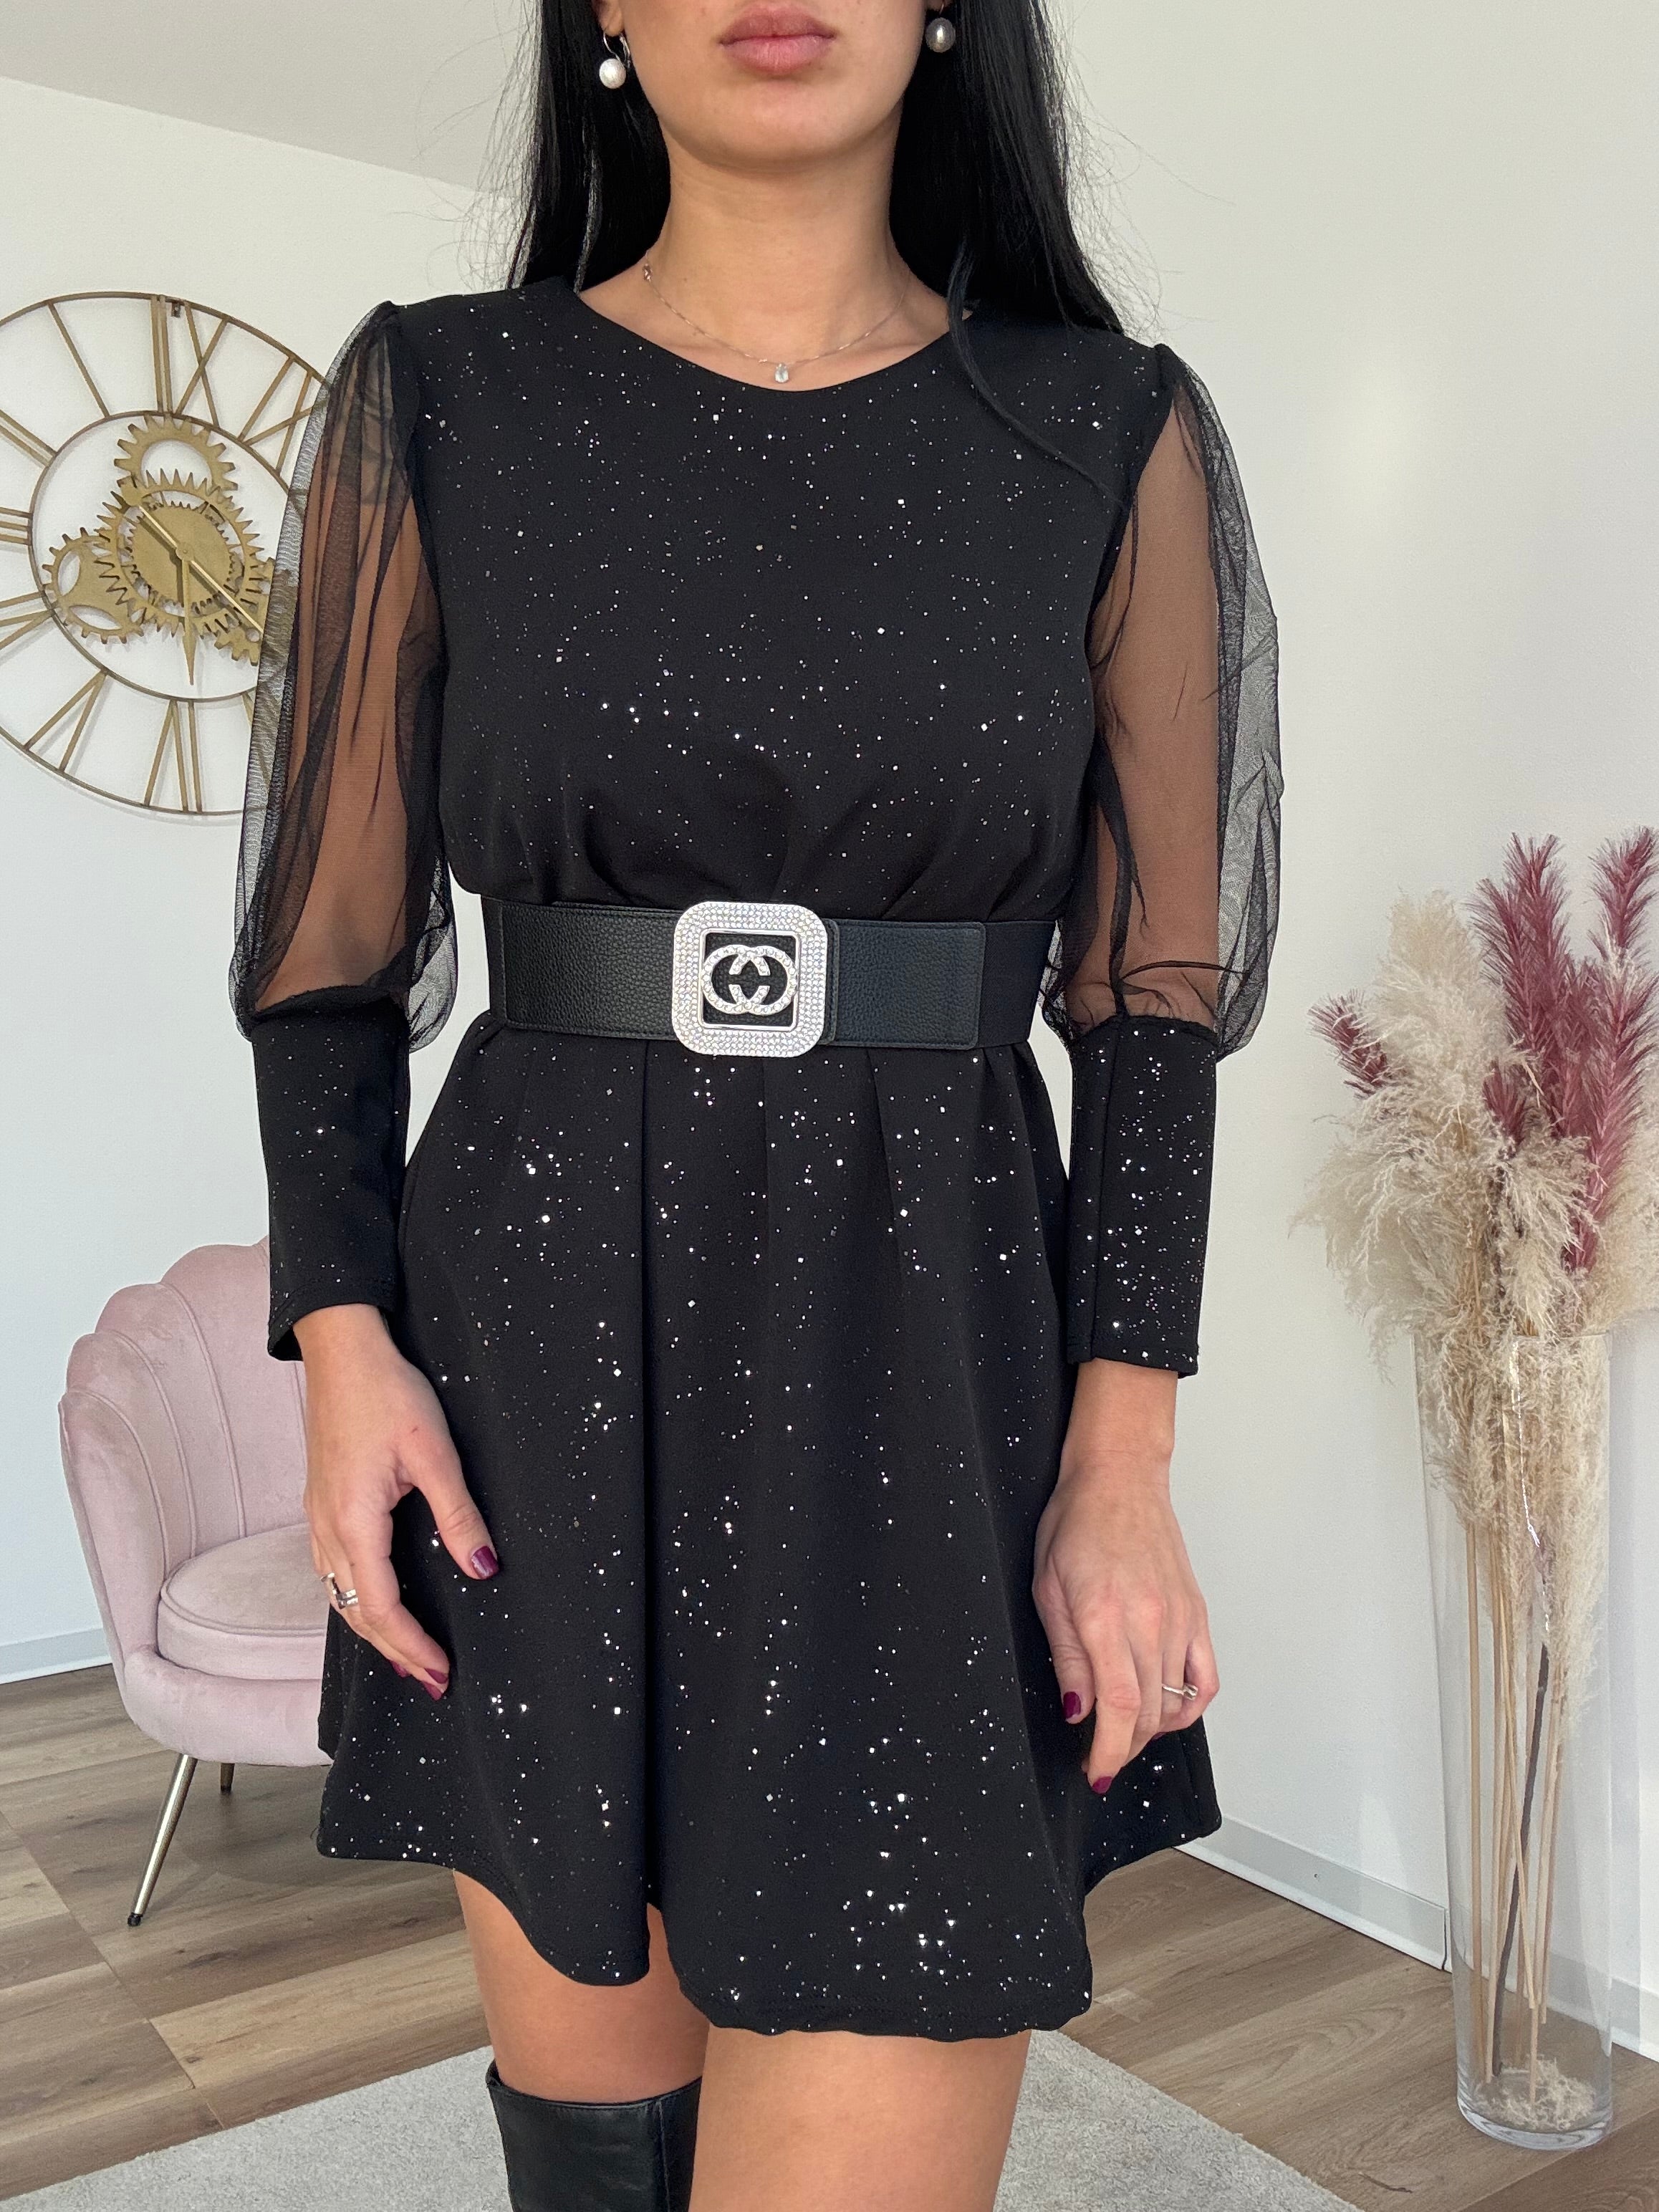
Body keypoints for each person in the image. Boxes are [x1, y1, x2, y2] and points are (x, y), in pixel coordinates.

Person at [229, 1, 1281, 2205]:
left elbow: (1148, 1006)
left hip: (932, 1374)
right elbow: (329, 952)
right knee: (594, 2160)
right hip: (532, 1374)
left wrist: (1122, 1459)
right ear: (603, 14)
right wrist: (340, 1342)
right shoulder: (443, 402)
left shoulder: (1105, 433)